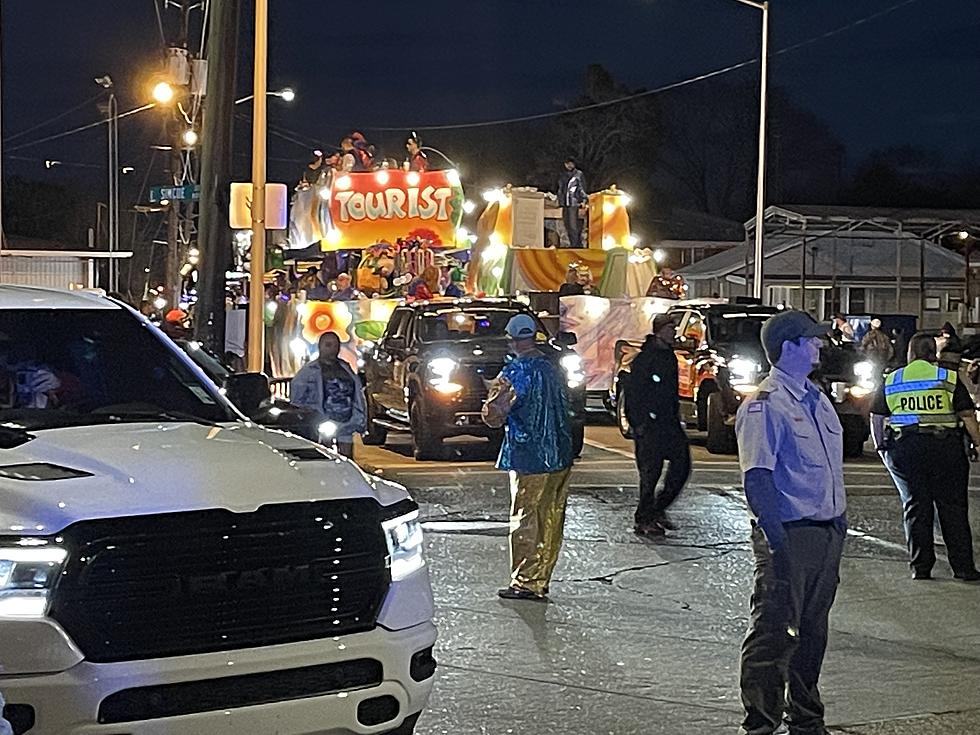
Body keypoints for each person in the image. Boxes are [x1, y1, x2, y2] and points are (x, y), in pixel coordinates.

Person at [734, 310, 847, 735]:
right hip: (790, 536)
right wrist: (777, 542)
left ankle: (806, 719)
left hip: (824, 536)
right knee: (774, 634)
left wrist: (839, 524)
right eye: (812, 339)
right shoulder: (766, 405)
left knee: (813, 635)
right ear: (790, 347)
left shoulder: (817, 400)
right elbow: (758, 477)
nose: (820, 345)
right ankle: (761, 724)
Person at [870, 332, 980, 582]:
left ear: (910, 353)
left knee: (915, 507)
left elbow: (876, 415)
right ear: (934, 353)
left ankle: (920, 567)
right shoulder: (947, 377)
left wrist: (881, 446)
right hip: (945, 450)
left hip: (906, 449)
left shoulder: (893, 378)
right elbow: (967, 415)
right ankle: (963, 568)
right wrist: (977, 443)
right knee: (952, 508)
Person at [483, 314, 573, 602]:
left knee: (526, 518)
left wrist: (490, 397)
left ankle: (525, 581)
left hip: (529, 455)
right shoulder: (552, 369)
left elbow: (494, 415)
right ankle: (541, 578)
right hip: (559, 452)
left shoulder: (515, 372)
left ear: (512, 339)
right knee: (551, 517)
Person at [625, 313, 691, 535]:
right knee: (650, 474)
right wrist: (638, 423)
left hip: (669, 424)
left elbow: (670, 394)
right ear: (659, 331)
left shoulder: (669, 356)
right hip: (650, 426)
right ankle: (643, 518)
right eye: (670, 328)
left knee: (681, 467)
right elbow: (634, 392)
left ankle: (657, 508)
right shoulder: (646, 358)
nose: (673, 332)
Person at [290, 332, 366, 459]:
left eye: (336, 346)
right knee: (325, 454)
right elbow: (297, 398)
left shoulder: (345, 368)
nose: (332, 350)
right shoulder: (309, 371)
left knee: (347, 458)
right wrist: (304, 415)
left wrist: (359, 416)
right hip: (323, 420)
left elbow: (357, 392)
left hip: (347, 421)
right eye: (328, 345)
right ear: (320, 346)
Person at [557, 158, 587, 248]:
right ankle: (571, 243)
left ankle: (576, 244)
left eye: (571, 164)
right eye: (567, 164)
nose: (569, 166)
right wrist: (559, 201)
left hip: (574, 202)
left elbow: (582, 188)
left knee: (573, 224)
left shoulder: (578, 174)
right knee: (567, 224)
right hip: (565, 203)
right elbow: (560, 189)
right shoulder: (563, 175)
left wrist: (583, 200)